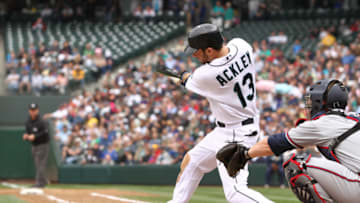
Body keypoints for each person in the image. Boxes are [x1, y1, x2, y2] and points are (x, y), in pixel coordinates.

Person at [168, 23, 272, 203]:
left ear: (209, 51)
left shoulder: (206, 75)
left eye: (197, 51)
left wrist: (182, 76)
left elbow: (188, 80)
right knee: (192, 161)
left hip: (237, 134)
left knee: (235, 192)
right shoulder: (242, 46)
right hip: (231, 128)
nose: (194, 55)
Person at [217, 79, 360, 202]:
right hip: (353, 182)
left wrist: (245, 154)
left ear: (320, 102)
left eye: (311, 101)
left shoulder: (323, 124)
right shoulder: (352, 118)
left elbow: (275, 143)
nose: (308, 105)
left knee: (297, 164)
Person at [23, 103, 50, 188]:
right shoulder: (28, 122)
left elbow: (45, 132)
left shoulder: (42, 121)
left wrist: (35, 136)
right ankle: (43, 180)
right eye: (31, 110)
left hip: (43, 145)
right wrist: (26, 136)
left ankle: (39, 182)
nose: (33, 112)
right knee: (38, 164)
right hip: (34, 146)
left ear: (37, 110)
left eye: (34, 110)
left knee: (40, 164)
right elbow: (28, 133)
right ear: (29, 111)